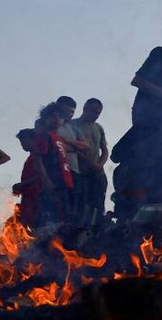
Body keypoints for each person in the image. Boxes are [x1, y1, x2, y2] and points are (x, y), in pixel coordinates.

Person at [33, 103, 74, 225]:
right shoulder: (43, 136)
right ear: (45, 118)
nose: (56, 119)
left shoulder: (58, 138)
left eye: (60, 117)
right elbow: (38, 160)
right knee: (50, 218)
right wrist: (46, 181)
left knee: (64, 217)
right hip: (52, 182)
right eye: (53, 116)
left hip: (64, 182)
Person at [72, 98, 109, 228]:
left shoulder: (98, 128)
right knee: (82, 205)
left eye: (99, 113)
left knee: (98, 205)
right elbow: (73, 151)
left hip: (98, 174)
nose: (96, 115)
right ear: (85, 109)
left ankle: (97, 229)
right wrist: (90, 164)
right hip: (82, 174)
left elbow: (104, 149)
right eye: (94, 111)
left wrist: (100, 164)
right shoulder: (73, 126)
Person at [55, 96, 91, 225]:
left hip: (74, 171)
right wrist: (75, 146)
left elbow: (86, 146)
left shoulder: (72, 128)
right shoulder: (50, 124)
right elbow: (56, 146)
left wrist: (67, 142)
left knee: (76, 204)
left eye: (72, 112)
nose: (69, 114)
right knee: (60, 205)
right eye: (67, 111)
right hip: (57, 171)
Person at [12, 128, 43, 228]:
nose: (23, 146)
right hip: (28, 196)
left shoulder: (38, 156)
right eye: (21, 143)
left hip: (36, 196)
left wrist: (22, 185)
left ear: (33, 140)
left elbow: (40, 175)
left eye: (24, 142)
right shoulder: (31, 158)